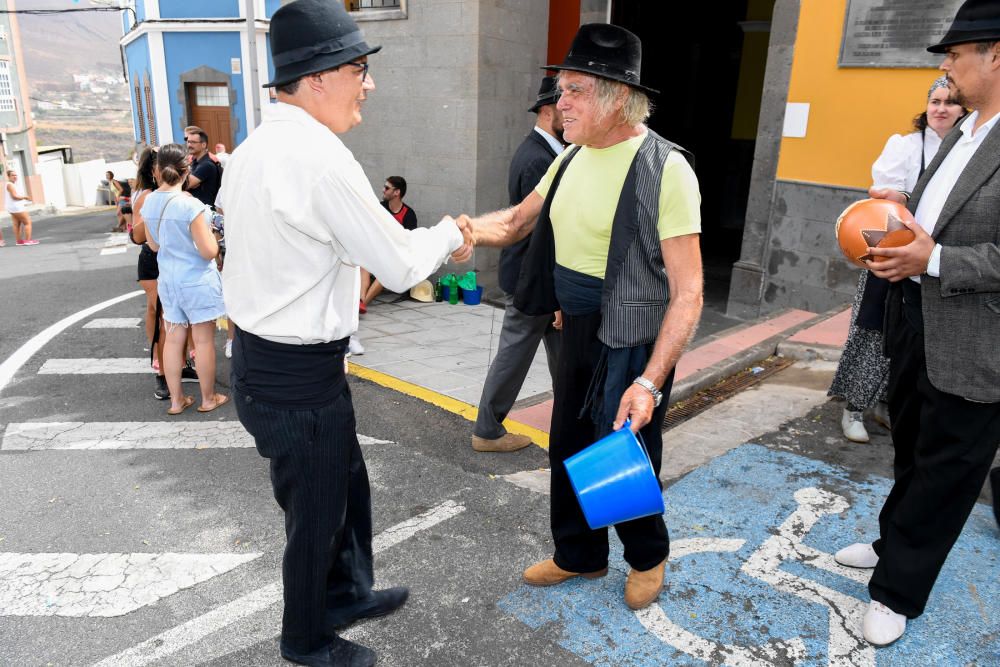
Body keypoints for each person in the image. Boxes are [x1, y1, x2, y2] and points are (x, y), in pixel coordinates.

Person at [219, 1, 472, 664]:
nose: (369, 84)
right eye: (360, 69)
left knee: (345, 487)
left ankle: (345, 591)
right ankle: (305, 638)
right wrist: (451, 232)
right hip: (293, 373)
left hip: (279, 364)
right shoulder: (318, 158)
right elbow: (398, 260)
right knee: (316, 513)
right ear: (320, 77)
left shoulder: (254, 149)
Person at [460, 24, 703, 611]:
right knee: (569, 444)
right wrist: (454, 232)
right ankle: (580, 554)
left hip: (631, 339)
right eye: (559, 89)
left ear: (617, 97)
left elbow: (689, 291)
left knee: (619, 452)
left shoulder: (666, 168)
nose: (558, 102)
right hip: (577, 324)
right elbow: (518, 223)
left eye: (572, 90)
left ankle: (647, 556)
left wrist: (651, 380)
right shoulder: (568, 157)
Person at [835, 0, 1000, 647]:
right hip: (913, 317)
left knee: (947, 471)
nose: (946, 67)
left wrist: (934, 255)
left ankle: (899, 589)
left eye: (957, 54)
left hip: (976, 339)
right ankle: (889, 543)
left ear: (996, 55)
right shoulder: (963, 131)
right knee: (909, 448)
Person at [828, 76, 966, 443]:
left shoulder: (964, 152)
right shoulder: (906, 145)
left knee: (913, 336)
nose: (941, 108)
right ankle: (854, 407)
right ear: (926, 107)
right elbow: (884, 200)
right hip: (892, 254)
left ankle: (885, 404)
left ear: (962, 109)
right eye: (935, 101)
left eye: (950, 102)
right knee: (874, 331)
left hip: (933, 261)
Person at [471, 75, 565, 453]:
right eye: (565, 102)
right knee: (514, 354)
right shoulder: (539, 158)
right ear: (547, 110)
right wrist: (554, 295)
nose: (571, 110)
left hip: (538, 278)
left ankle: (572, 424)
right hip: (534, 280)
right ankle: (487, 430)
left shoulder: (546, 152)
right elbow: (538, 233)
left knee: (564, 358)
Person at [141, 143, 227, 416]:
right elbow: (208, 251)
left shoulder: (150, 202)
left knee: (174, 339)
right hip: (196, 280)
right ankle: (208, 398)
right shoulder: (192, 206)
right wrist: (217, 238)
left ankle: (177, 401)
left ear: (157, 170)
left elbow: (153, 246)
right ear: (185, 171)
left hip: (168, 280)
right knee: (202, 341)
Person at [359, 176, 418, 311]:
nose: (383, 190)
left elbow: (409, 243)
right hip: (377, 250)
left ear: (397, 192)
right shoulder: (380, 207)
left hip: (395, 256)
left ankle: (363, 303)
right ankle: (360, 299)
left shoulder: (409, 215)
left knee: (383, 274)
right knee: (364, 265)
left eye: (387, 188)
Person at [185, 128, 222, 207]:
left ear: (203, 145)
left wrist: (187, 181)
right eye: (188, 142)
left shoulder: (207, 164)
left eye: (193, 142)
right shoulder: (194, 162)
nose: (189, 145)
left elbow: (185, 184)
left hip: (206, 212)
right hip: (196, 210)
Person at [6, 170, 37, 246]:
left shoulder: (12, 184)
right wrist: (25, 197)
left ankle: (19, 241)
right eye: (13, 175)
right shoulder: (10, 185)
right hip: (16, 207)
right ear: (9, 176)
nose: (15, 177)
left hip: (12, 207)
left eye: (16, 175)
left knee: (17, 224)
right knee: (27, 223)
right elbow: (14, 196)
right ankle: (27, 240)